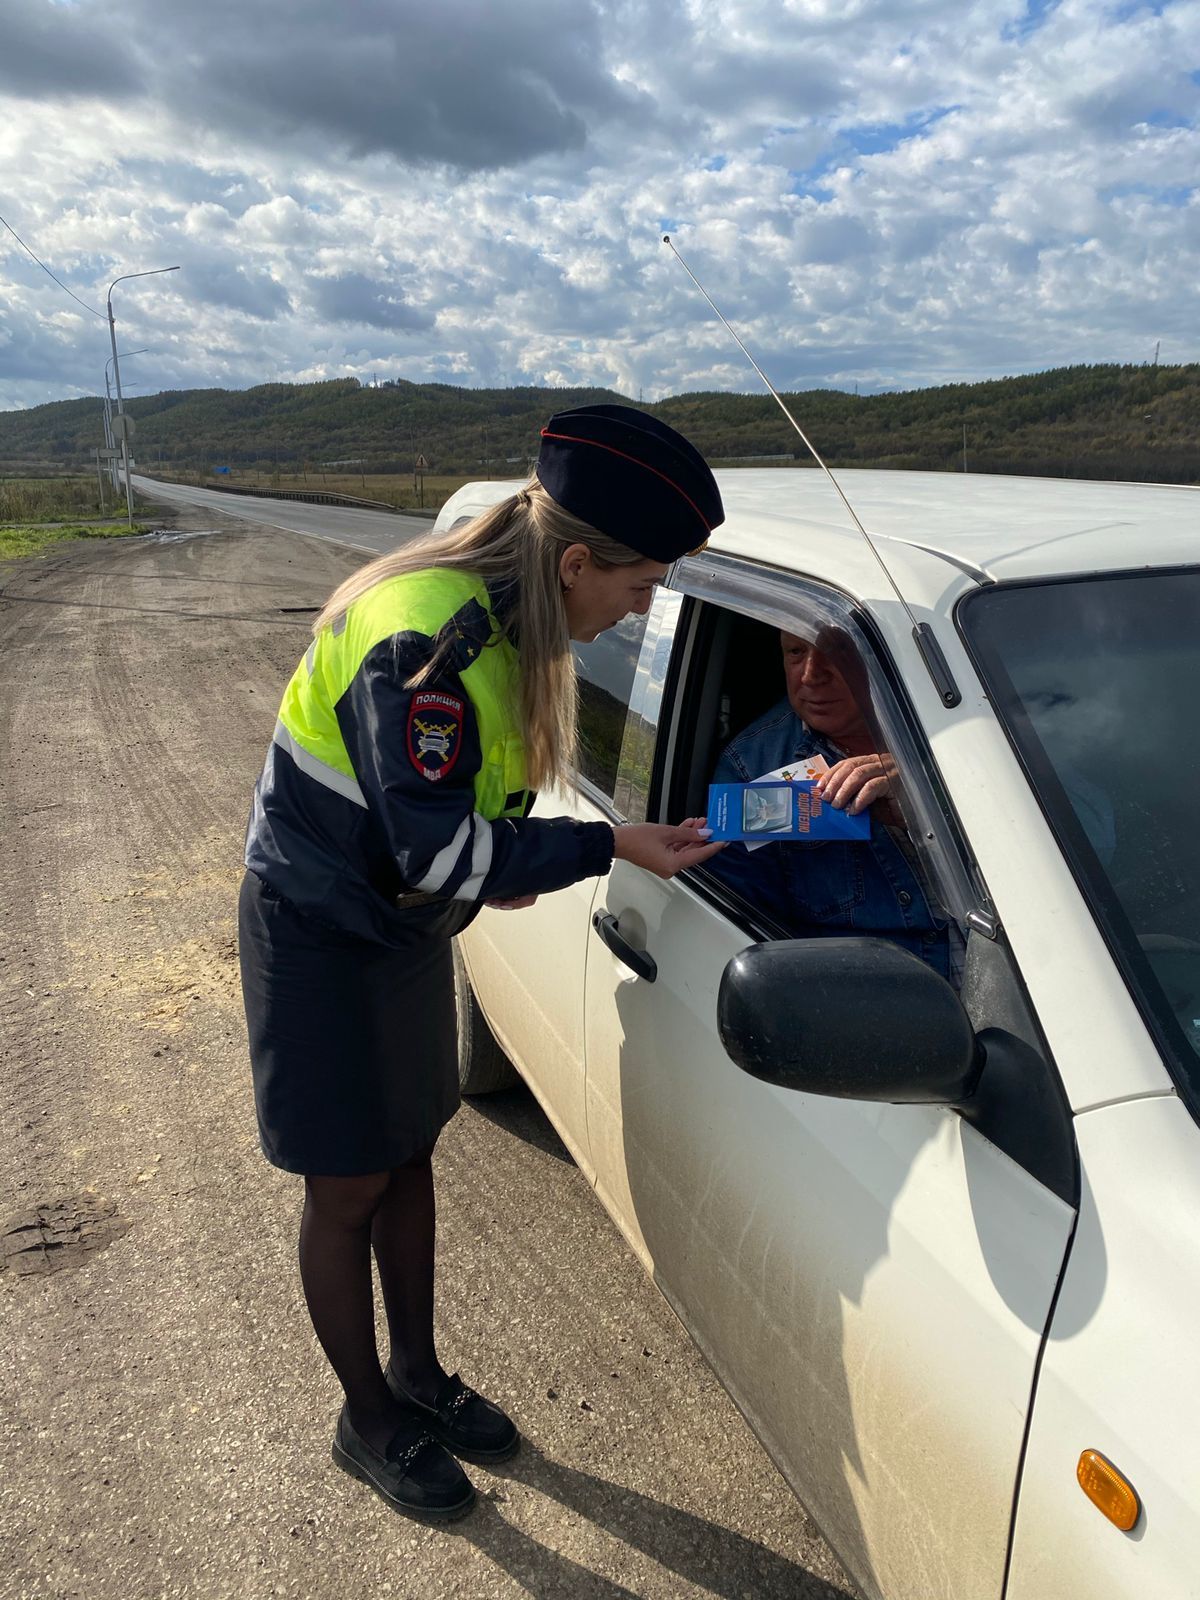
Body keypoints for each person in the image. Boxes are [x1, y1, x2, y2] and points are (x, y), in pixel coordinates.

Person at [238, 405, 725, 1523]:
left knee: (410, 1152)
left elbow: (462, 822)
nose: (641, 609)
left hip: (401, 921)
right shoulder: (429, 641)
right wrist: (603, 843)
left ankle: (417, 1375)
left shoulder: (514, 620)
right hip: (319, 932)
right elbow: (440, 841)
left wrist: (481, 864)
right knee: (348, 1182)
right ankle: (366, 1419)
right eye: (643, 584)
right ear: (575, 563)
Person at [710, 628, 956, 977]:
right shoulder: (752, 766)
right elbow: (740, 928)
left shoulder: (961, 730)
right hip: (872, 993)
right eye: (795, 652)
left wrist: (926, 791)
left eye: (837, 652)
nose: (811, 675)